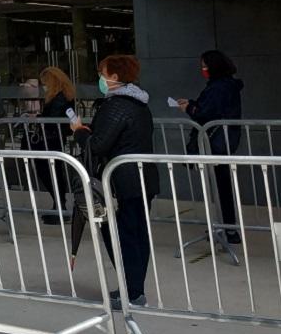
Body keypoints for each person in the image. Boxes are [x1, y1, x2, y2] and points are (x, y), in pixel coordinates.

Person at [72, 55, 159, 309]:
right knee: (137, 235)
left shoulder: (116, 106)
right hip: (142, 178)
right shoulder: (140, 103)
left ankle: (131, 292)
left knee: (121, 235)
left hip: (122, 181)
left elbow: (98, 144)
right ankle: (133, 288)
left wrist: (79, 132)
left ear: (115, 77)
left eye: (103, 72)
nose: (100, 77)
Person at [177, 50, 245, 243]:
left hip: (216, 143)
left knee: (220, 187)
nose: (203, 69)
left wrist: (189, 108)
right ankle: (227, 228)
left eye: (206, 66)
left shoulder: (219, 87)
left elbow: (206, 112)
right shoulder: (226, 86)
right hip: (223, 141)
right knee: (221, 186)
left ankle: (228, 229)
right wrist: (192, 104)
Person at [34, 67, 77, 225]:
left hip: (50, 139)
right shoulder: (63, 95)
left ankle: (59, 205)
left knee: (50, 171)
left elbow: (53, 119)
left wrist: (40, 119)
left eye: (45, 83)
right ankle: (58, 204)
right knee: (52, 171)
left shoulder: (59, 97)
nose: (43, 86)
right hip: (53, 138)